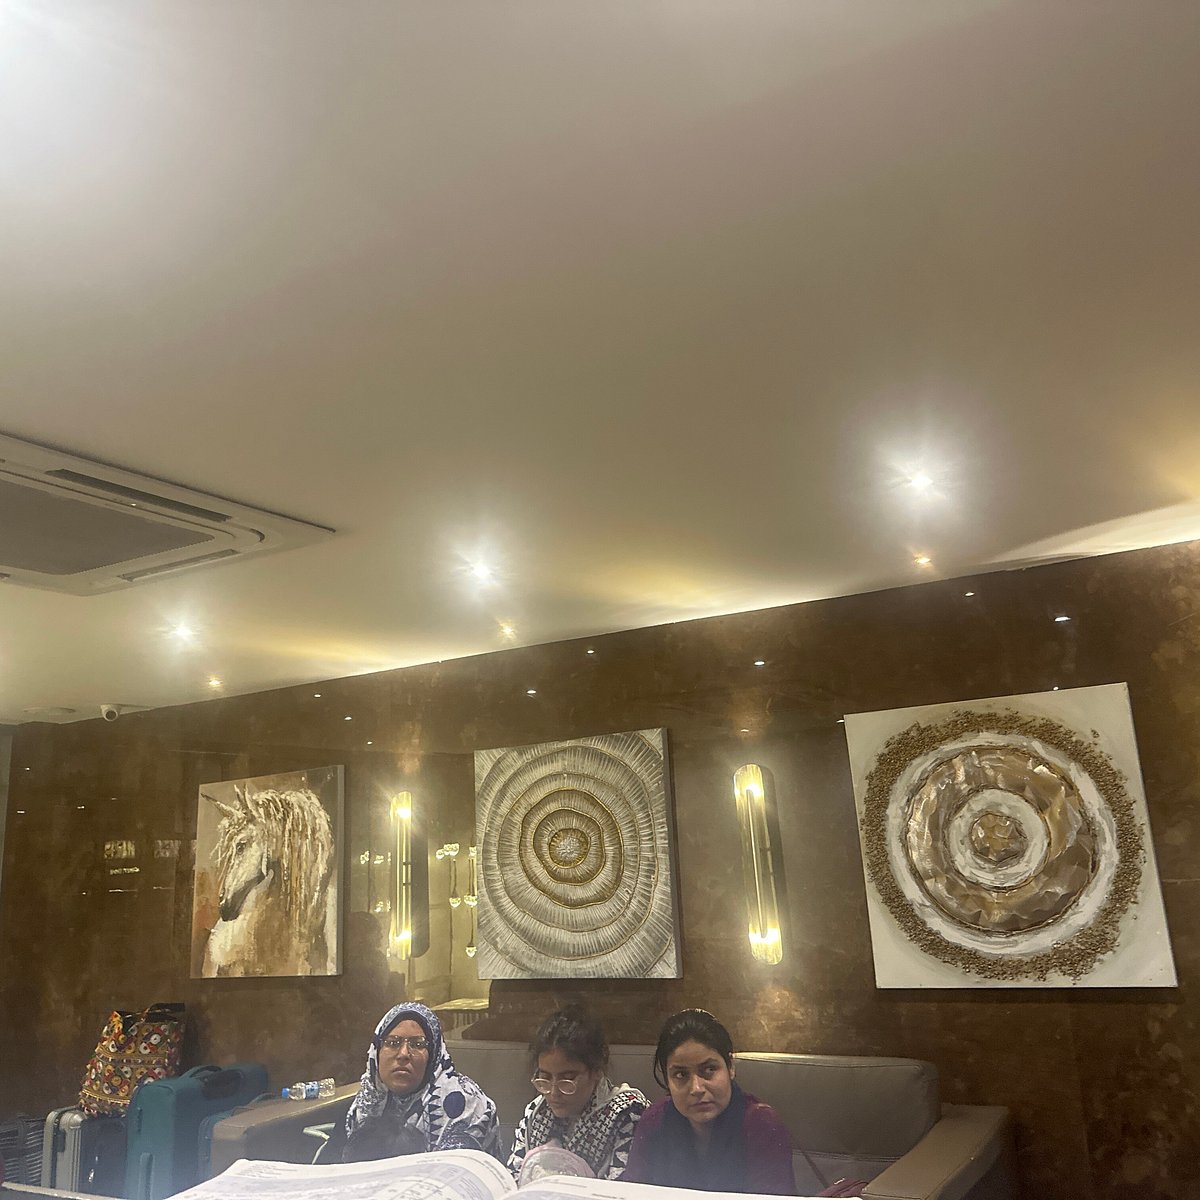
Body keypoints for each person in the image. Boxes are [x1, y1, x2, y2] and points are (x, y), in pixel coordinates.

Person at [621, 1009, 796, 1194]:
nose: (696, 1088)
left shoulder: (761, 1123)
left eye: (709, 1070)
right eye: (680, 1075)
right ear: (667, 1080)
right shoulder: (654, 1120)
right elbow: (632, 1193)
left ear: (730, 1067)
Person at [330, 1001, 502, 1162]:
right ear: (377, 1051)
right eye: (393, 1043)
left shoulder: (463, 1105)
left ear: (433, 1055)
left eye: (417, 1044)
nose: (403, 1054)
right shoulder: (364, 1104)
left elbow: (453, 1176)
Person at [508, 1004, 649, 1181]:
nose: (553, 1092)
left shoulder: (627, 1114)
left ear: (596, 1071)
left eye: (567, 1079)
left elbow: (621, 1188)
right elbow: (514, 1177)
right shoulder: (536, 1113)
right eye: (545, 1078)